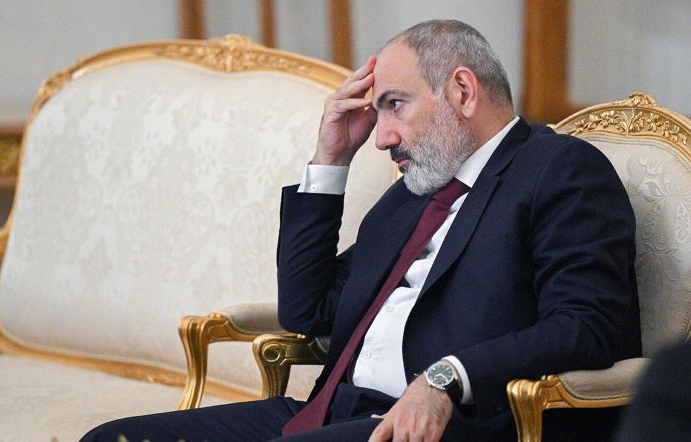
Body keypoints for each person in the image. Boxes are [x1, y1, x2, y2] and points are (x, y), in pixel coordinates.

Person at [81, 19, 641, 441]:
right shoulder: (412, 196)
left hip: (453, 424)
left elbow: (589, 325)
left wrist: (447, 377)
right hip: (333, 411)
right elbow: (307, 311)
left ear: (463, 91)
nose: (382, 137)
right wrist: (330, 158)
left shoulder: (559, 170)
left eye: (395, 105)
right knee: (110, 439)